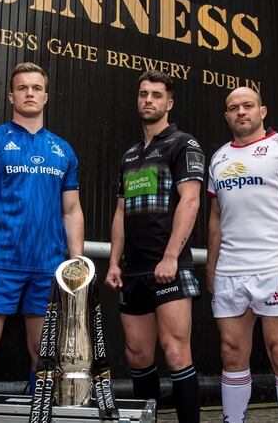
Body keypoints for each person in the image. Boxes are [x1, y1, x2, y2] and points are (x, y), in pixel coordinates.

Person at [0, 62, 84, 421]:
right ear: (11, 95)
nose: (29, 93)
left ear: (46, 96)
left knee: (45, 358)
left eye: (36, 88)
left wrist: (77, 266)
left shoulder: (63, 150)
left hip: (48, 268)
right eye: (22, 87)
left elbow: (71, 211)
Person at [206, 87, 278, 423]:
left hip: (275, 268)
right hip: (230, 270)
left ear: (262, 111)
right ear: (226, 115)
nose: (240, 112)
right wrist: (211, 266)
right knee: (231, 353)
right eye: (233, 108)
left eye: (247, 106)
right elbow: (215, 216)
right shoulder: (219, 156)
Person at [105, 70, 204, 423]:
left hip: (169, 267)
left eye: (156, 95)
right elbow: (120, 212)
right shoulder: (130, 155)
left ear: (169, 103)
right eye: (143, 94)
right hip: (132, 270)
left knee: (176, 354)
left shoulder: (183, 144)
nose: (148, 99)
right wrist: (114, 261)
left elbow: (190, 201)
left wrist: (171, 257)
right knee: (137, 354)